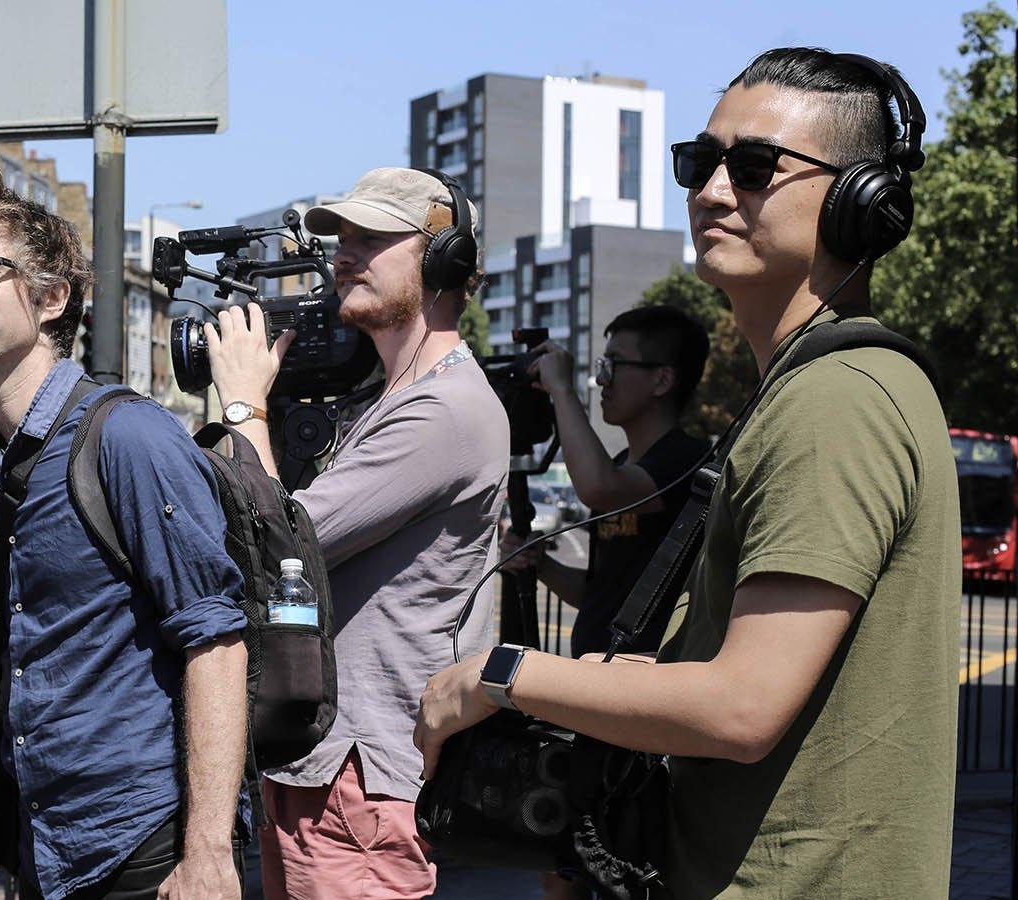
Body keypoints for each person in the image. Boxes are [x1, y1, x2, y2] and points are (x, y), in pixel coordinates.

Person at [416, 48, 960, 898]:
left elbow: (744, 708)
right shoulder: (812, 388)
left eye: (753, 168)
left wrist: (500, 675)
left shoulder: (837, 401)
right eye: (699, 162)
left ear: (862, 205)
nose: (709, 191)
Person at [0, 171, 250, 900]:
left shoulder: (127, 437)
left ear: (52, 297)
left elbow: (216, 641)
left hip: (145, 849)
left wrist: (210, 853)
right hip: (43, 848)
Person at [205, 167, 510, 899]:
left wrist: (245, 405)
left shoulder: (446, 411)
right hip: (331, 772)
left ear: (444, 261)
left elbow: (280, 546)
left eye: (373, 239)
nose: (345, 254)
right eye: (341, 237)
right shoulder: (392, 399)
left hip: (361, 784)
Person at [505, 306, 710, 659]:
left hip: (645, 682)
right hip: (599, 676)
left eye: (614, 365)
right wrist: (539, 563)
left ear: (662, 380)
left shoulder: (687, 460)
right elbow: (596, 595)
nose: (602, 380)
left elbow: (599, 487)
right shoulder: (620, 464)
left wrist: (562, 391)